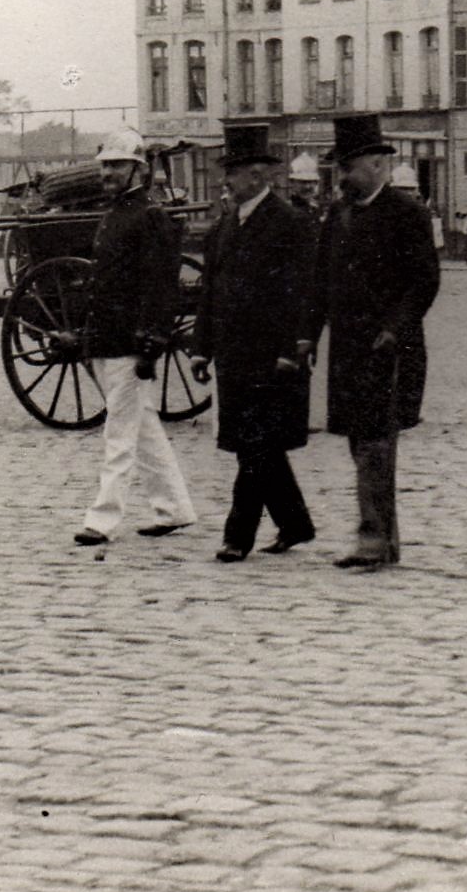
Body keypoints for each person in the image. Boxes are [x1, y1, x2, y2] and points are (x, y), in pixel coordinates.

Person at [309, 114, 439, 570]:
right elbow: (320, 284)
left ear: (380, 165)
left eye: (350, 167)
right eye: (340, 168)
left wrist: (395, 327)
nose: (343, 177)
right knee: (360, 443)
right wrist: (308, 337)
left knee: (375, 445)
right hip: (348, 349)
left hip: (390, 349)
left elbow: (423, 283)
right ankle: (386, 539)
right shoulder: (338, 216)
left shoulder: (409, 215)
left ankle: (373, 539)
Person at [189, 124, 317, 563]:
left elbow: (302, 294)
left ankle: (236, 536)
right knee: (255, 446)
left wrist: (292, 350)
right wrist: (200, 348)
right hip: (233, 358)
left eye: (235, 172)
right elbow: (210, 292)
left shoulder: (290, 224)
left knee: (257, 446)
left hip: (273, 358)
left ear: (259, 176)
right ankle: (295, 524)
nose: (227, 180)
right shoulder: (224, 226)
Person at [71, 130, 197, 546]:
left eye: (117, 165)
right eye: (106, 164)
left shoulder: (149, 217)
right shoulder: (116, 213)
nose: (109, 172)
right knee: (143, 428)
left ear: (137, 169)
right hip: (108, 338)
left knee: (119, 433)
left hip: (129, 340)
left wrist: (152, 341)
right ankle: (174, 508)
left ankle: (103, 518)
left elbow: (160, 286)